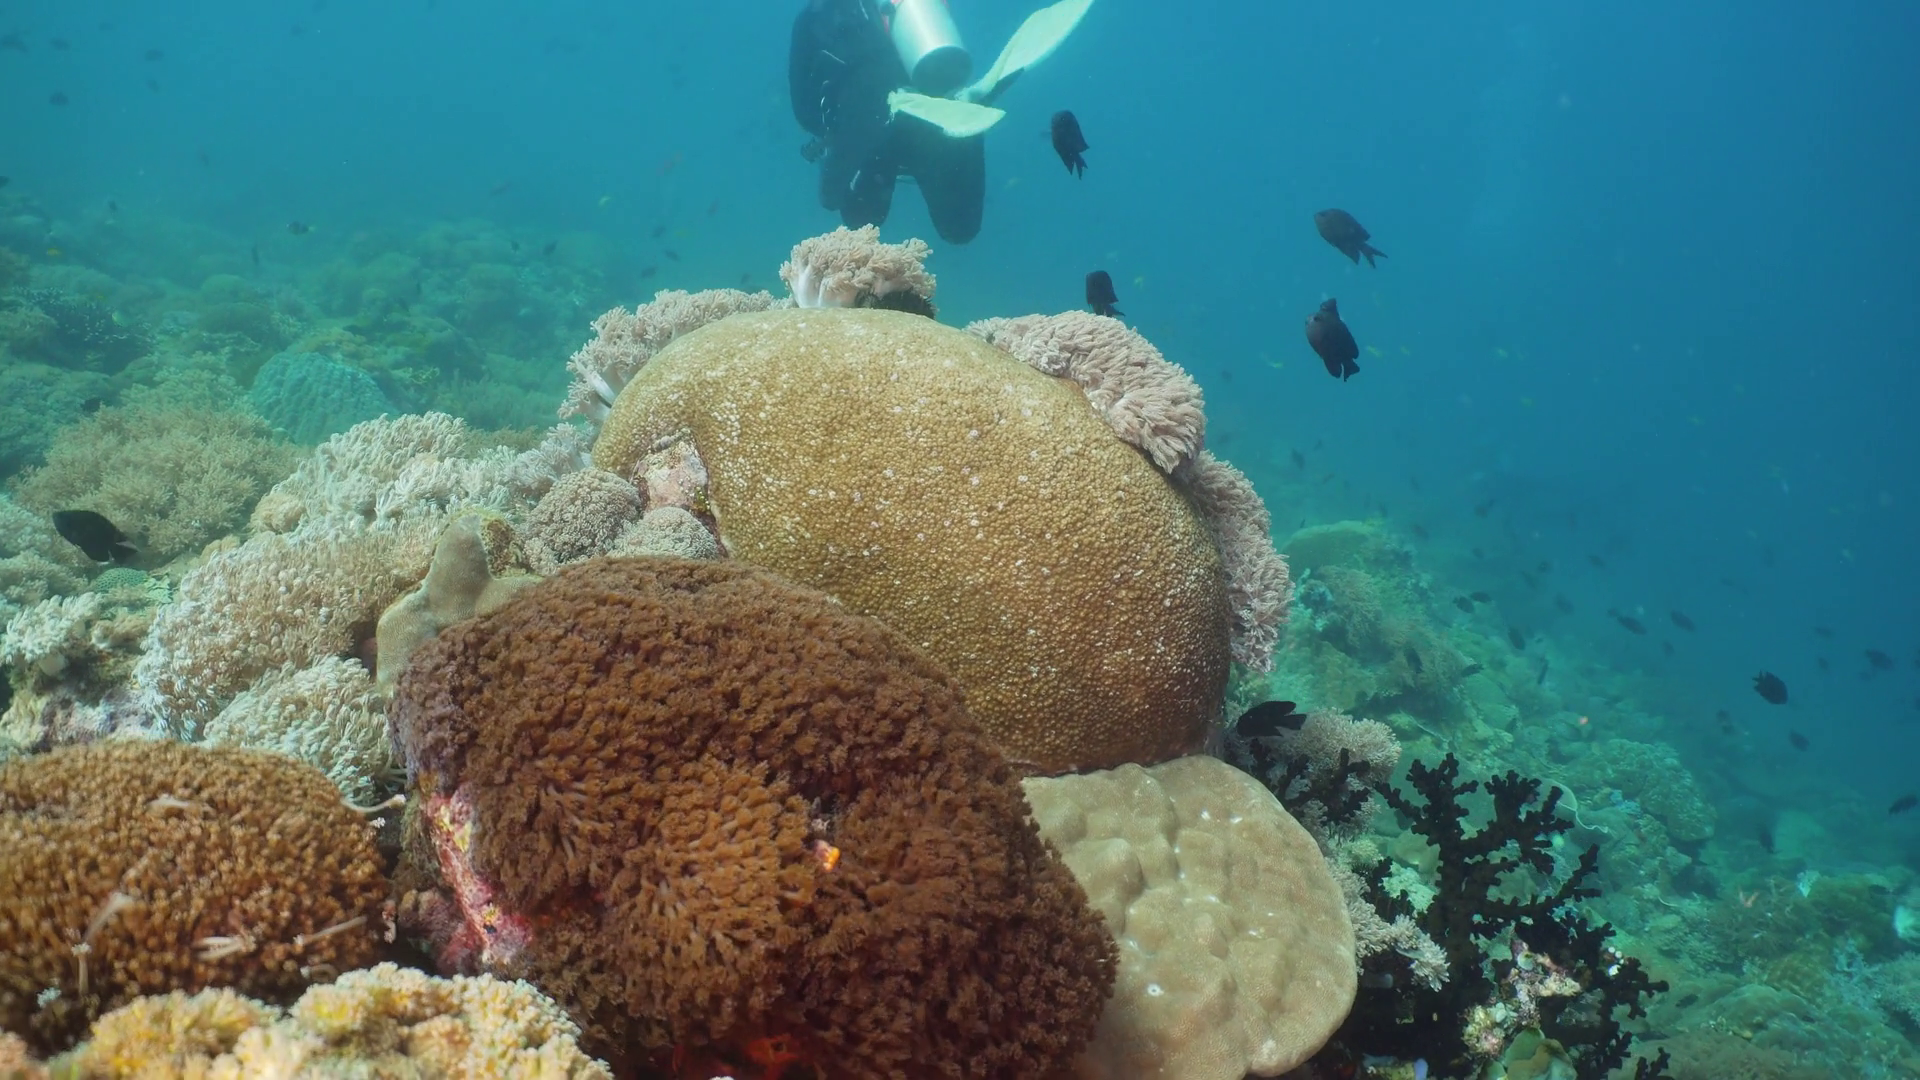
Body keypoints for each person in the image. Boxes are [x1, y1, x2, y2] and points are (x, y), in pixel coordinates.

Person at [789, 0, 988, 244]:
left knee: (857, 221)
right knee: (960, 229)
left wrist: (834, 133)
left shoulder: (813, 17)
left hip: (868, 132)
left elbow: (804, 111)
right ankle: (966, 133)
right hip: (931, 121)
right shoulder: (909, 7)